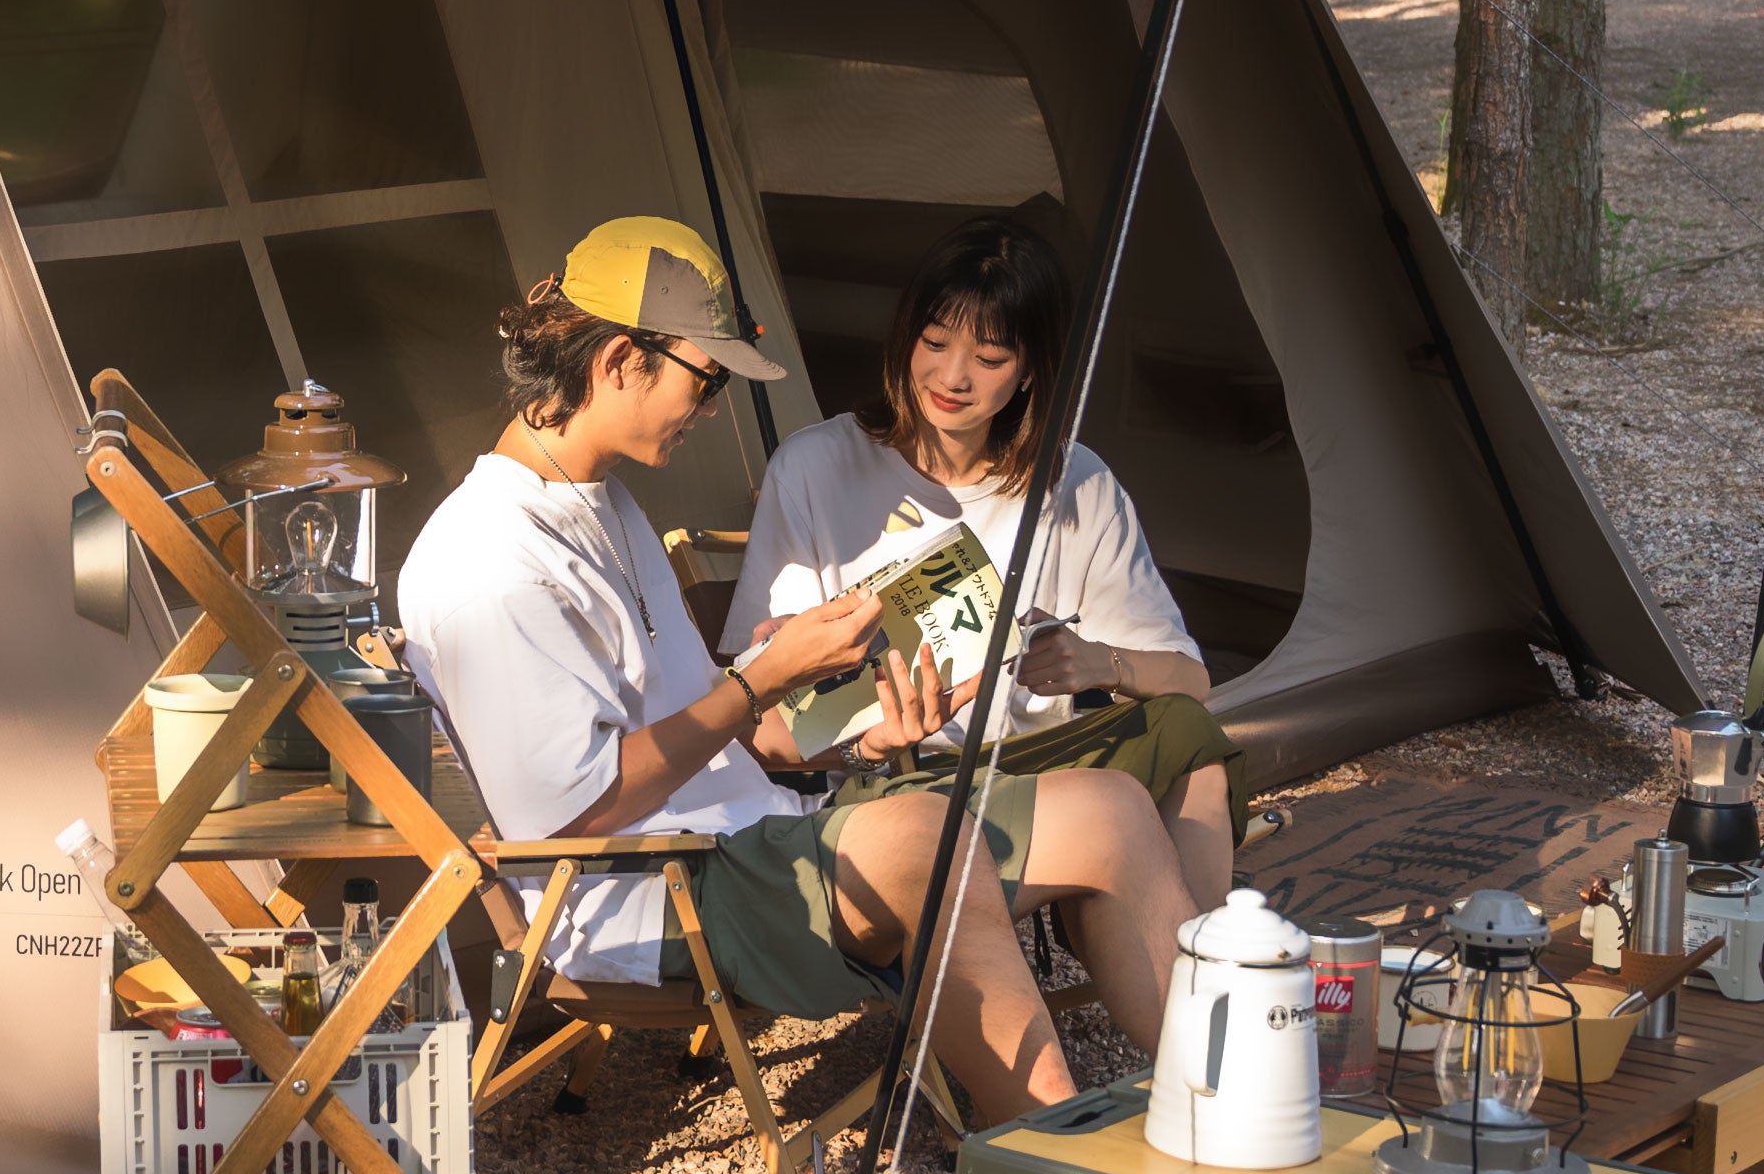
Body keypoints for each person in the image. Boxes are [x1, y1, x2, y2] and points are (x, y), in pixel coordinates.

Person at [392, 217, 1195, 1126]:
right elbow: (568, 816)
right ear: (621, 361)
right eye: (709, 378)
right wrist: (760, 680)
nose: (716, 406)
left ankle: (1221, 1115)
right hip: (649, 893)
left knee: (1111, 810)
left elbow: (730, 730)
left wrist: (850, 735)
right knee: (922, 836)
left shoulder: (602, 503)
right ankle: (1058, 1169)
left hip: (759, 834)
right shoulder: (488, 565)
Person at [726, 212, 1246, 927]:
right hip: (897, 780)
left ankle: (1206, 970)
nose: (951, 377)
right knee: (1113, 814)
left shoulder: (1076, 484)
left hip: (1039, 764)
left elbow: (1191, 684)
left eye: (990, 359)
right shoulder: (817, 467)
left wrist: (1101, 664)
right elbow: (752, 704)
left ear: (1032, 368)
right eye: (933, 343)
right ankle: (1195, 995)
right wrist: (870, 730)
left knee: (1186, 739)